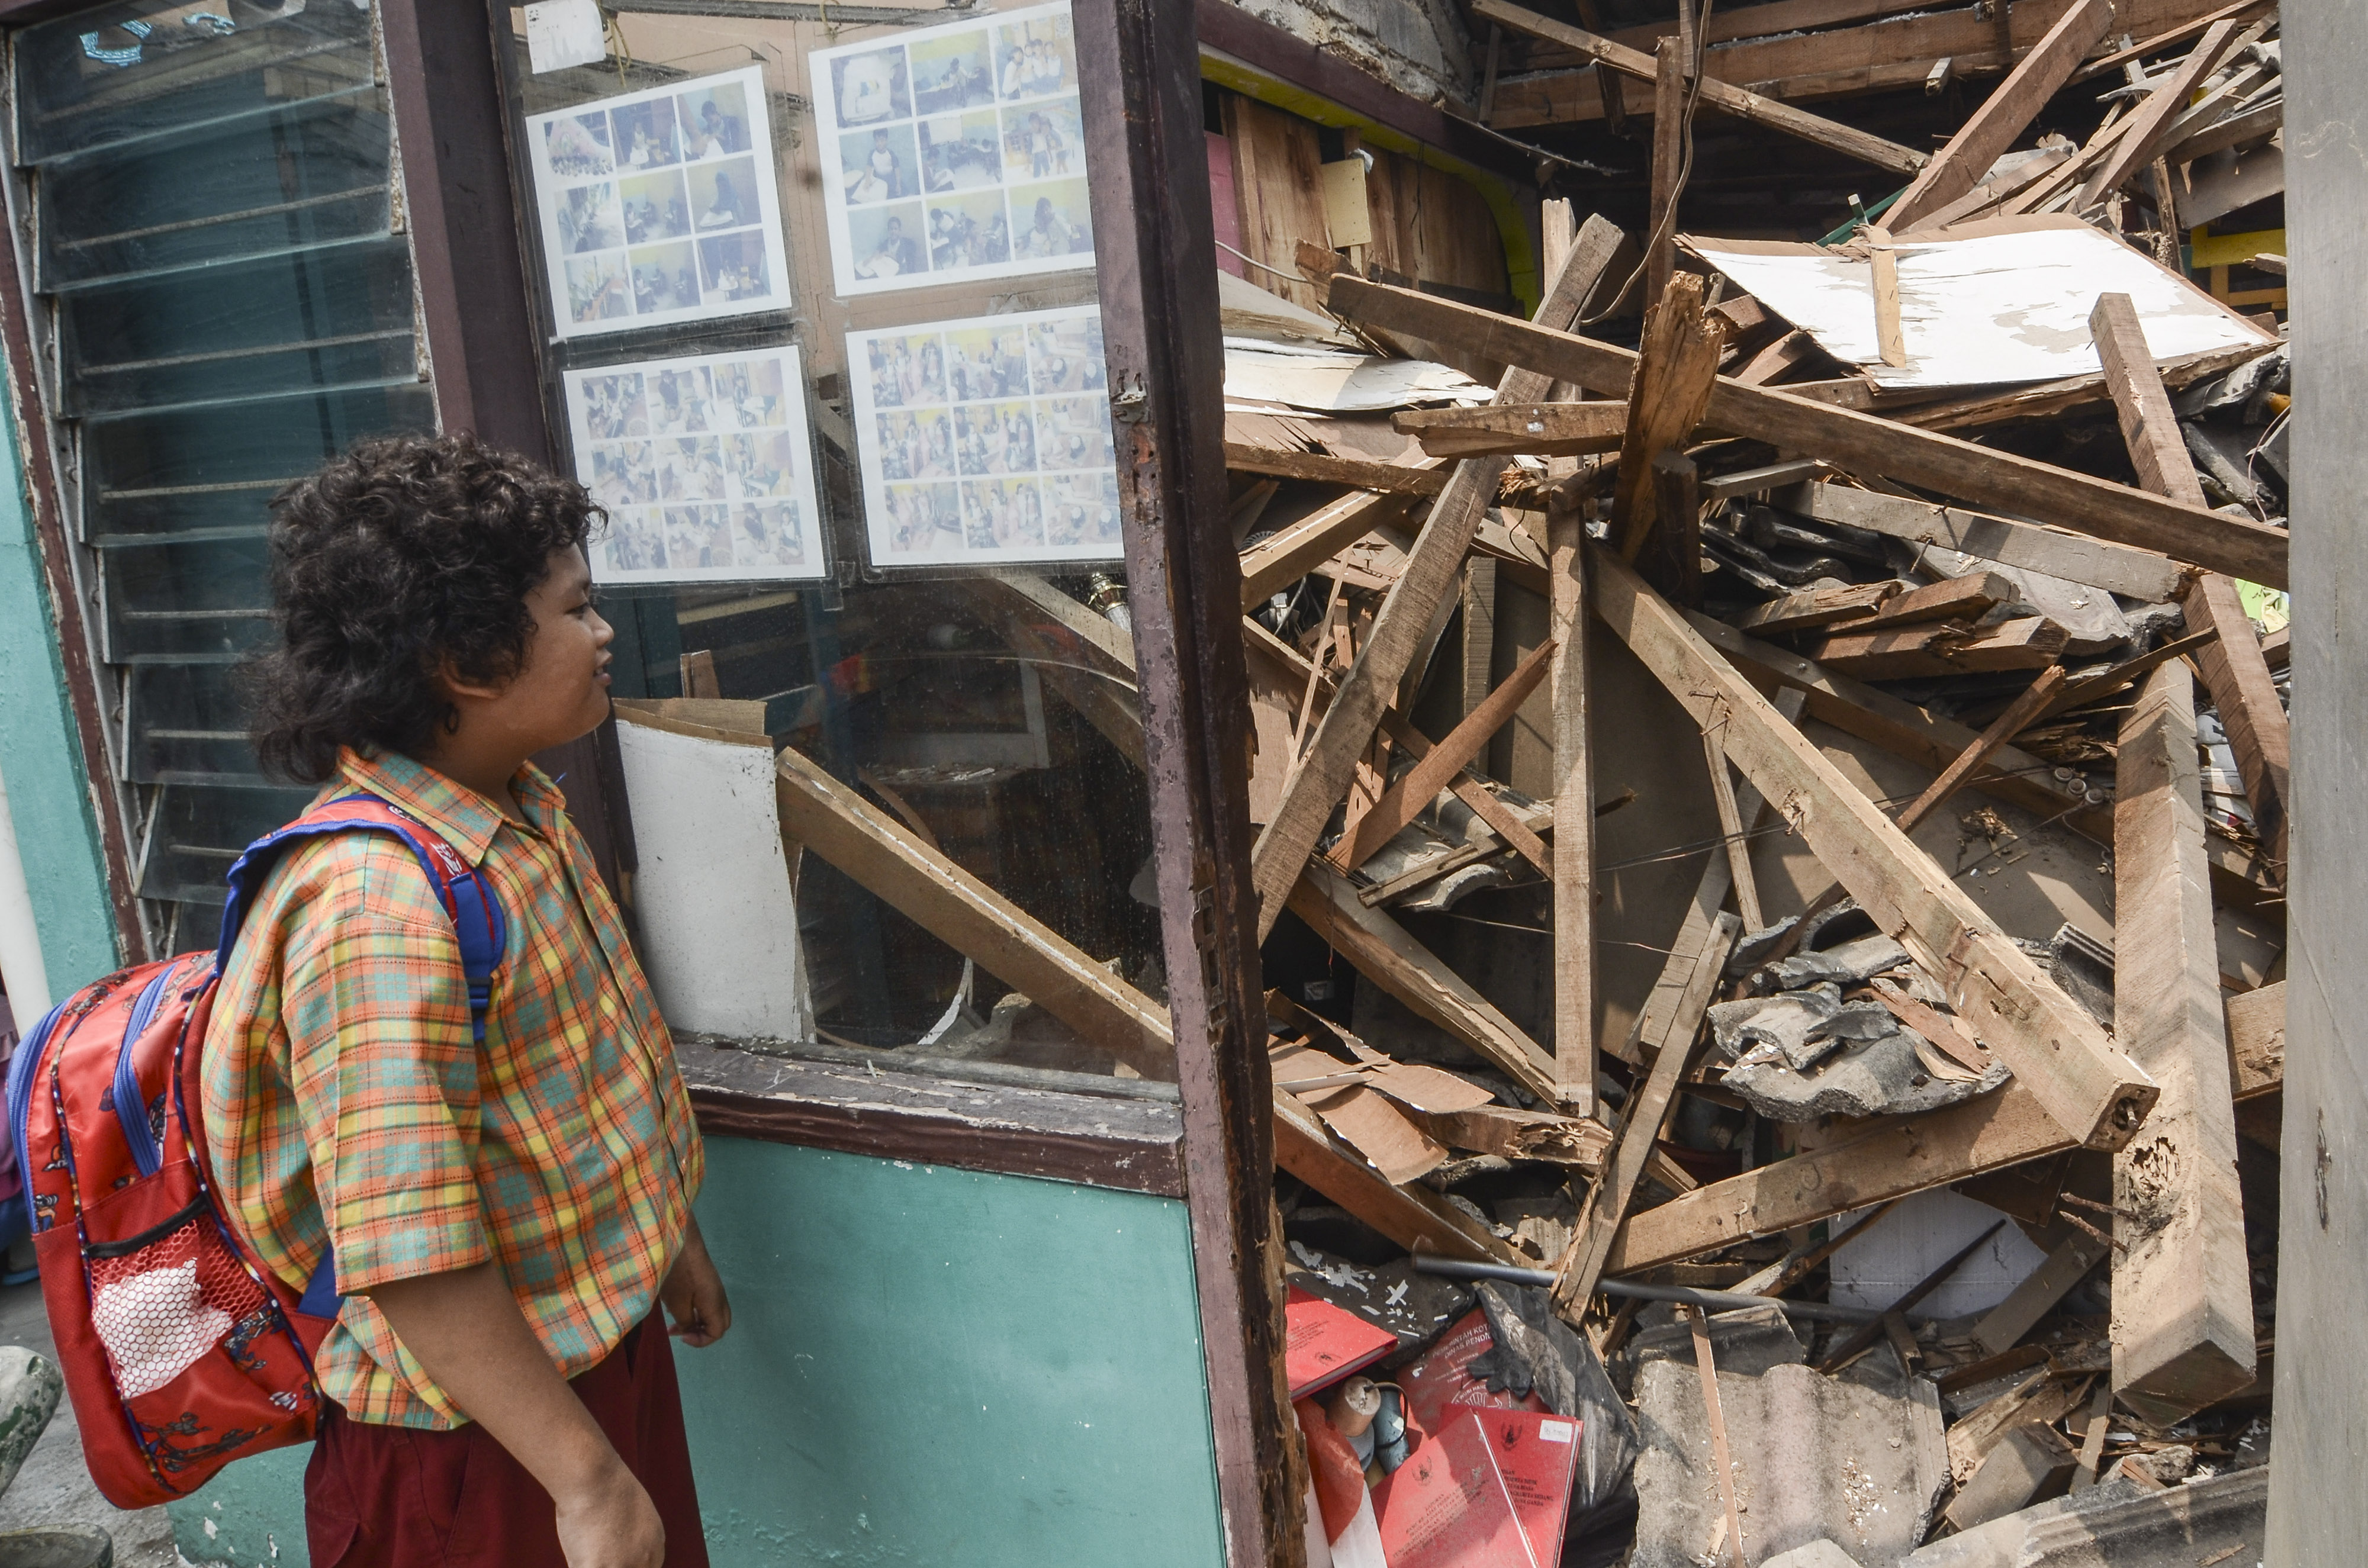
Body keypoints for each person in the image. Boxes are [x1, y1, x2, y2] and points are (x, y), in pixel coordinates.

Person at [210, 436, 725, 1568]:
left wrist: (666, 1237)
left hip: (579, 1376)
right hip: (479, 1448)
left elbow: (582, 1077)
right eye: (575, 610)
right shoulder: (376, 908)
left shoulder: (518, 812)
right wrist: (586, 1479)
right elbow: (410, 1250)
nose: (603, 633)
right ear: (469, 662)